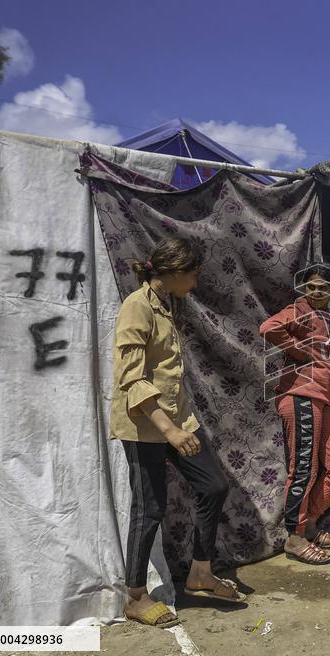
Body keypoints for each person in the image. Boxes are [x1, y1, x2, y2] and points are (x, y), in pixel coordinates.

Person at [112, 238, 243, 630]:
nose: (196, 284)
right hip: (145, 424)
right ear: (172, 272)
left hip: (178, 418)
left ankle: (200, 571)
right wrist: (168, 430)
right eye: (193, 275)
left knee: (214, 486)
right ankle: (135, 596)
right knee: (149, 507)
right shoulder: (137, 306)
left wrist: (177, 426)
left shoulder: (167, 303)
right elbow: (130, 378)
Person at [260, 261, 330, 565]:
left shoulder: (327, 316)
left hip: (320, 402)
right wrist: (300, 349)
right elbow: (269, 327)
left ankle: (310, 523)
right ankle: (295, 538)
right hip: (300, 396)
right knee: (303, 469)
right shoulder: (300, 309)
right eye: (311, 285)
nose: (316, 291)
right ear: (304, 288)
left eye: (323, 287)